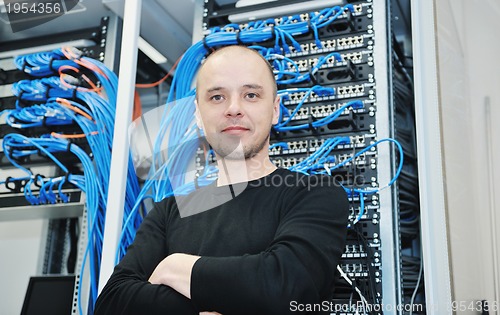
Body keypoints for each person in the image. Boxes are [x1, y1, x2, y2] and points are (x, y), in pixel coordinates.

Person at [94, 45, 348, 315]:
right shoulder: (170, 211)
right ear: (198, 116)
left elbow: (284, 288)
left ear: (275, 110)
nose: (234, 108)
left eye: (251, 95)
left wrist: (175, 267)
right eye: (217, 97)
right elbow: (112, 302)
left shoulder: (315, 195)